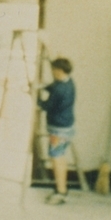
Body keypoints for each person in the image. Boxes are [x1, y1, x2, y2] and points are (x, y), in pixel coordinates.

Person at [38, 57, 76, 205]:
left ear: (59, 71)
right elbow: (54, 86)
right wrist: (44, 87)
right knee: (61, 157)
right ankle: (62, 189)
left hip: (58, 130)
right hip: (67, 127)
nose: (52, 72)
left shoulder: (59, 89)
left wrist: (33, 95)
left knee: (57, 159)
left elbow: (47, 106)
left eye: (54, 70)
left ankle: (60, 193)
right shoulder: (69, 82)